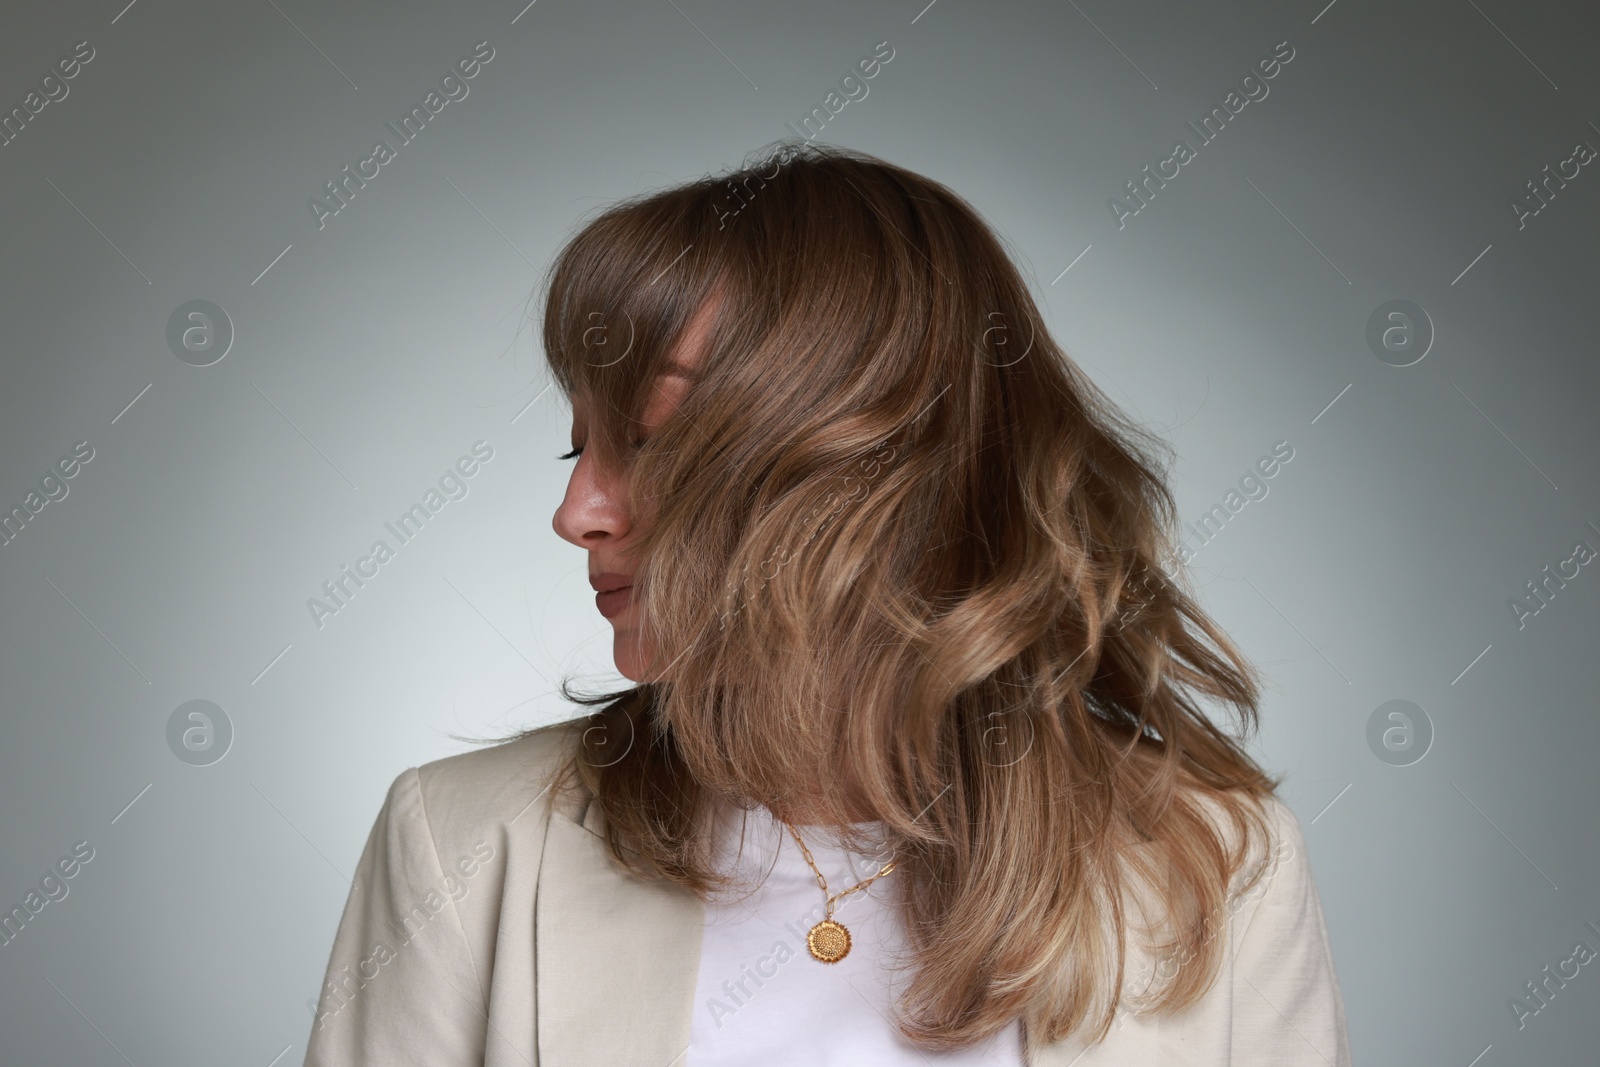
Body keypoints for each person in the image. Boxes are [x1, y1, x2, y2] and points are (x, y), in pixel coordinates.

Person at [302, 141, 1351, 1066]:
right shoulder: (462, 839)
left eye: (651, 440)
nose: (577, 510)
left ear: (875, 468)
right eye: (579, 445)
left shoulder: (1214, 862)